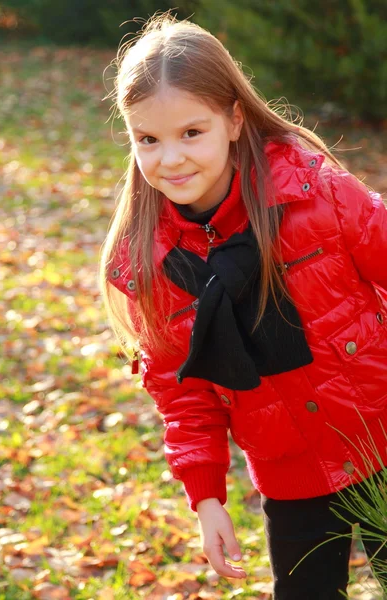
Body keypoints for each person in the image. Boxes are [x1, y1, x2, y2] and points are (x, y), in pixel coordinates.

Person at [99, 14, 387, 600]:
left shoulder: (318, 194)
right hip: (291, 475)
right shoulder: (150, 267)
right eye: (148, 140)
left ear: (233, 119)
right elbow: (183, 393)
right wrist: (207, 498)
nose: (171, 159)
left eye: (191, 132)